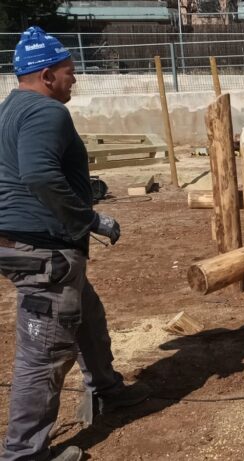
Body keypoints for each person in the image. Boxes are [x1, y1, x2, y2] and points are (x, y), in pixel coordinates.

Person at [0, 27, 150, 461]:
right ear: (47, 75)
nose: (76, 79)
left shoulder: (12, 108)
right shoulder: (48, 113)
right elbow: (39, 175)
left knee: (88, 315)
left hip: (30, 244)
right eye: (69, 71)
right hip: (44, 252)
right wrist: (90, 218)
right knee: (45, 351)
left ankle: (105, 389)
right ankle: (23, 453)